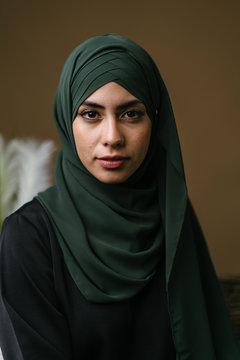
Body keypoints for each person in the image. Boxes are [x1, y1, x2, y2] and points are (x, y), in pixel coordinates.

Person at [0, 34, 239, 360]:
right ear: (67, 120)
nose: (112, 137)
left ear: (155, 121)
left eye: (131, 114)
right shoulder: (28, 237)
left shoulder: (170, 216)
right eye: (90, 114)